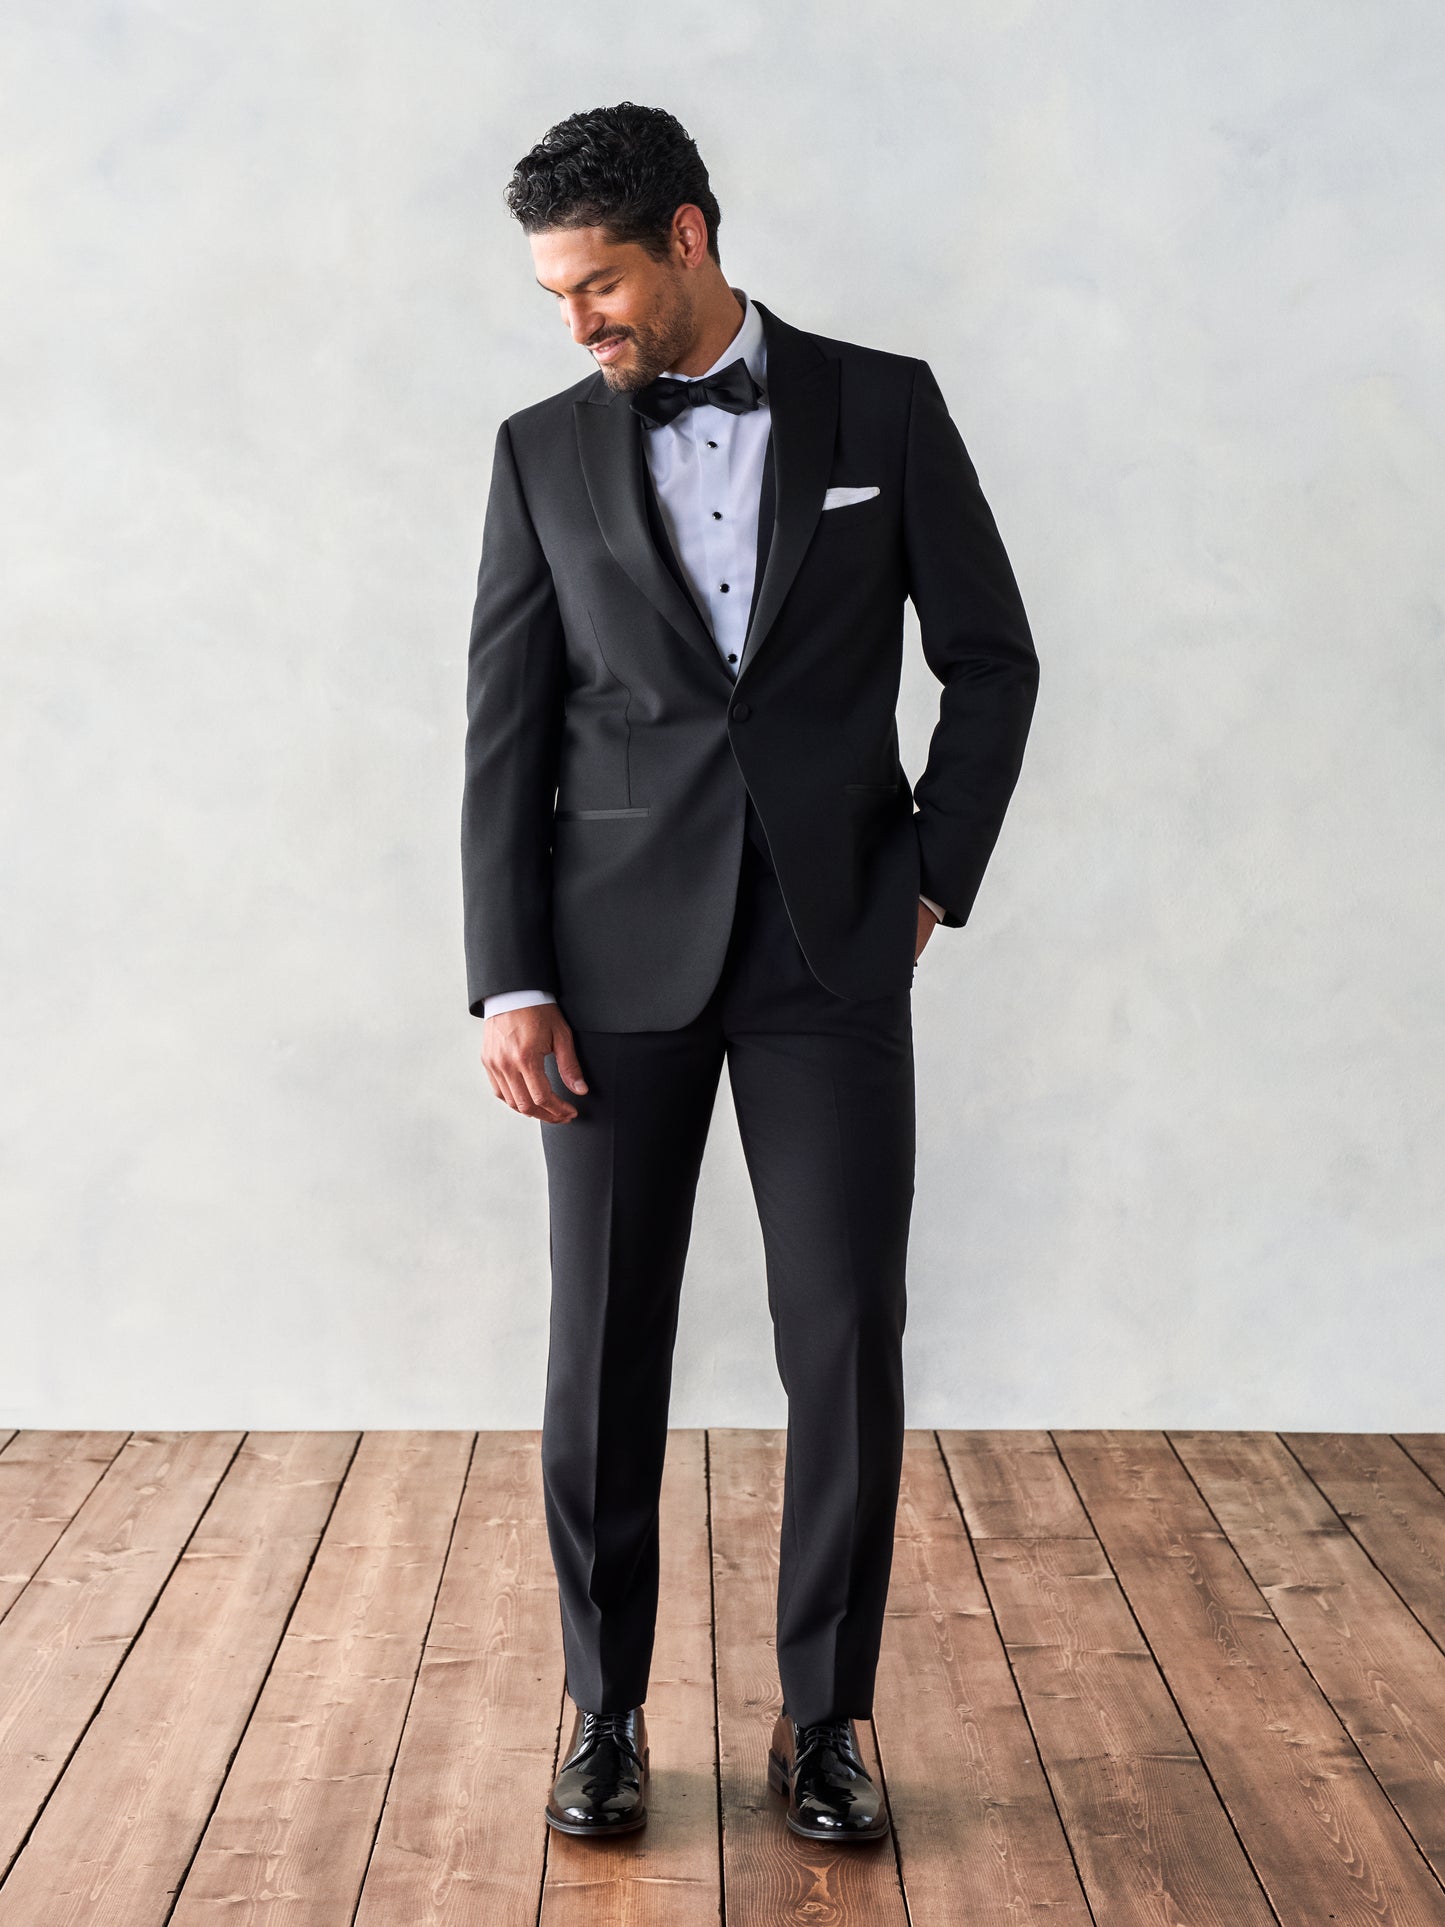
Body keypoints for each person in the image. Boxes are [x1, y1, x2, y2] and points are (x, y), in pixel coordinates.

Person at [461, 101, 1039, 1843]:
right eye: (555, 294)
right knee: (601, 1350)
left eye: (602, 285)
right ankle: (603, 1710)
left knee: (846, 1335)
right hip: (606, 958)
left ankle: (825, 1723)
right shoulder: (536, 450)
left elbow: (993, 657)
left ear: (691, 238)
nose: (578, 323)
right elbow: (501, 740)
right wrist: (507, 981)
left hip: (829, 951)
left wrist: (931, 873)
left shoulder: (884, 404)